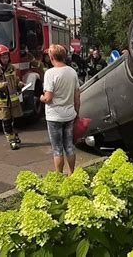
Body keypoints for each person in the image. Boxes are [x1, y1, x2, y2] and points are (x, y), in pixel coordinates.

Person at [40, 44, 80, 175]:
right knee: (69, 146)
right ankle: (72, 173)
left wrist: (41, 98)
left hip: (54, 116)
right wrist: (77, 112)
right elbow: (77, 96)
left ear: (51, 57)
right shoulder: (72, 72)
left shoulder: (50, 73)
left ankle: (59, 175)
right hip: (69, 114)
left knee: (57, 148)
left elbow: (48, 98)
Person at [0, 44, 24, 150]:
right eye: (3, 57)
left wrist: (20, 84)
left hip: (14, 100)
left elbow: (15, 81)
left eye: (7, 57)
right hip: (2, 101)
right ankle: (11, 140)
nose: (5, 59)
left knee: (17, 120)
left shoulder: (12, 68)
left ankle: (15, 136)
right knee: (6, 121)